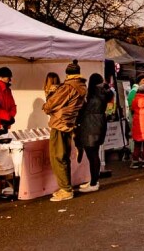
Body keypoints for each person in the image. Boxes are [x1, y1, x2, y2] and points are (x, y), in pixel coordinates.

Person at [42, 59, 87, 202]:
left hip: (59, 124)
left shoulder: (68, 87)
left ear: (67, 74)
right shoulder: (81, 86)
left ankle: (66, 189)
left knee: (57, 157)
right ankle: (66, 187)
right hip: (69, 124)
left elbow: (50, 106)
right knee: (64, 156)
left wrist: (48, 101)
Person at [76, 73, 113, 193]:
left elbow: (85, 110)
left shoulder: (93, 94)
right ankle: (94, 180)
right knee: (94, 154)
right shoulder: (104, 92)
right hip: (99, 124)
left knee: (92, 155)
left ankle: (94, 183)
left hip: (90, 125)